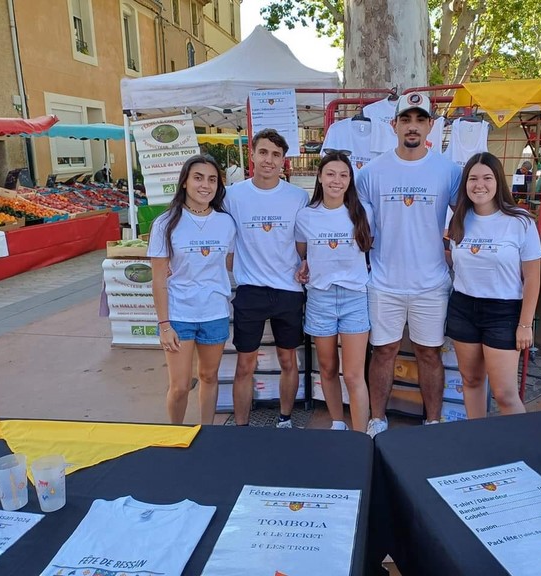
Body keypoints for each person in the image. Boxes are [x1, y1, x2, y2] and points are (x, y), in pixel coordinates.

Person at [356, 92, 462, 437]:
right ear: (393, 125)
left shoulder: (449, 171)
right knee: (383, 351)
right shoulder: (371, 172)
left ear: (431, 125)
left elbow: (466, 221)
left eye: (420, 119)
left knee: (429, 354)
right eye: (406, 119)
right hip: (384, 281)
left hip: (431, 283)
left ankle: (433, 421)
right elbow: (356, 225)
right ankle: (377, 419)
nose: (412, 126)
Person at [446, 152, 541, 419]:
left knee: (505, 394)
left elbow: (533, 277)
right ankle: (479, 443)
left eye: (487, 178)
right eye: (473, 178)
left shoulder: (520, 222)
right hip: (463, 307)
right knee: (471, 382)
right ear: (465, 184)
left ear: (499, 181)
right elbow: (456, 262)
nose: (480, 185)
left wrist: (525, 324)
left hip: (504, 312)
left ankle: (519, 449)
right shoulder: (458, 221)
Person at [225, 129, 309, 428]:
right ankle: (242, 429)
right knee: (245, 364)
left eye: (276, 154)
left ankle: (285, 420)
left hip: (288, 291)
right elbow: (219, 234)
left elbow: (304, 244)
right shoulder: (233, 195)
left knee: (288, 361)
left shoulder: (298, 197)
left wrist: (307, 263)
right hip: (251, 291)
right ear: (253, 155)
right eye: (263, 152)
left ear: (283, 161)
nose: (269, 160)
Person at [148, 154, 236, 425]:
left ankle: (206, 432)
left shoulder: (226, 223)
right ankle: (176, 434)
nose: (205, 185)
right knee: (180, 385)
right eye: (198, 178)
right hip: (180, 315)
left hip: (215, 312)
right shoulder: (165, 223)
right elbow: (159, 280)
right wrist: (164, 325)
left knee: (210, 377)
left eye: (212, 180)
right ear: (184, 182)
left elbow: (228, 264)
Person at [294, 153, 373, 432]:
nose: (336, 180)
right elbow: (302, 255)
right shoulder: (305, 216)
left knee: (353, 374)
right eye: (330, 174)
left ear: (350, 180)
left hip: (355, 297)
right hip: (320, 299)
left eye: (343, 175)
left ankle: (361, 435)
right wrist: (303, 266)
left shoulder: (363, 212)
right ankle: (338, 423)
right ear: (319, 177)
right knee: (327, 368)